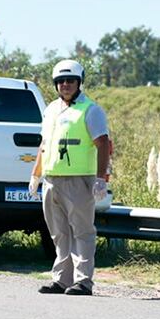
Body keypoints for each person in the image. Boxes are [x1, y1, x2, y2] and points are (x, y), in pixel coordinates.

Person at [29, 60, 110, 296]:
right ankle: (62, 279)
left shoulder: (90, 110)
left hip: (78, 180)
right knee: (59, 232)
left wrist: (100, 177)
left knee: (82, 231)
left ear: (79, 83)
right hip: (52, 179)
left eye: (70, 81)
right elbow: (44, 144)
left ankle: (83, 281)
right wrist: (36, 174)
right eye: (61, 81)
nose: (65, 85)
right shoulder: (51, 109)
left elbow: (102, 143)